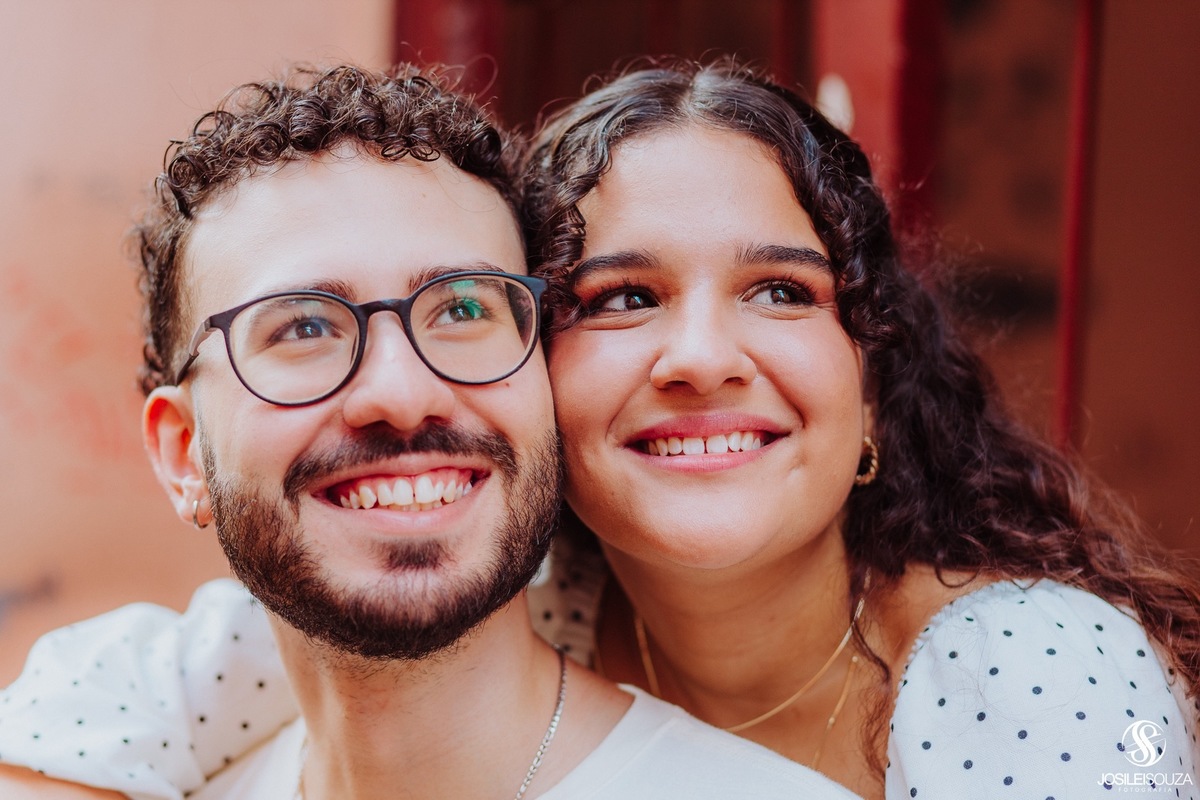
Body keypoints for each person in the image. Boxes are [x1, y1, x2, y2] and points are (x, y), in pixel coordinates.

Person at [3, 56, 1198, 799]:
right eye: (622, 298)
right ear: (540, 375)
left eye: (781, 290)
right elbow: (141, 683)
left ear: (874, 381)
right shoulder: (534, 588)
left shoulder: (1031, 669)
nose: (699, 357)